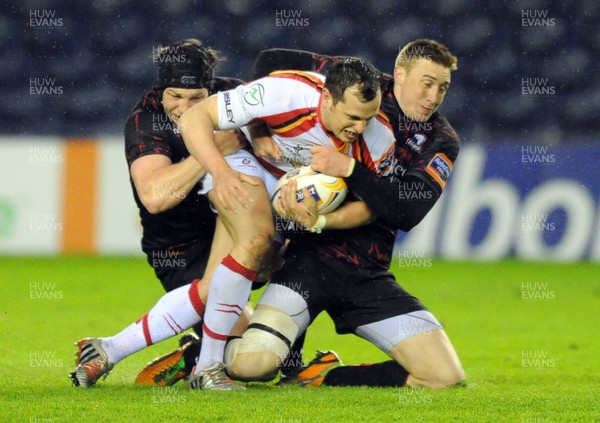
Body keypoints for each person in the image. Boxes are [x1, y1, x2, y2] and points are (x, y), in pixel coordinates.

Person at [224, 39, 465, 389]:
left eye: (442, 87)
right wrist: (259, 128)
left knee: (444, 377)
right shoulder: (359, 82)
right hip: (307, 262)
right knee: (251, 367)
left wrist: (350, 169)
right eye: (426, 83)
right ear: (398, 74)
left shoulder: (440, 140)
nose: (434, 96)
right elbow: (271, 59)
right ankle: (206, 352)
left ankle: (321, 377)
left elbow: (408, 210)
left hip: (366, 273)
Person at [177, 56, 396, 389]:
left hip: (296, 204)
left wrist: (322, 219)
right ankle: (203, 365)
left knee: (253, 273)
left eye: (368, 117)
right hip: (247, 169)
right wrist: (221, 172)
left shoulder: (379, 138)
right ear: (327, 98)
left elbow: (372, 208)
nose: (360, 128)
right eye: (352, 116)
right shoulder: (285, 93)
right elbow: (195, 117)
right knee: (251, 248)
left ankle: (181, 355)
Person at [70, 38, 264, 389]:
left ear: (212, 88)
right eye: (175, 96)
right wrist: (209, 152)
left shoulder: (235, 97)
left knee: (271, 336)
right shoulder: (146, 121)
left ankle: (123, 351)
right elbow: (155, 197)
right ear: (161, 91)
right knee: (249, 354)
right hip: (180, 244)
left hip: (234, 222)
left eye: (196, 98)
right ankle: (194, 356)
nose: (185, 107)